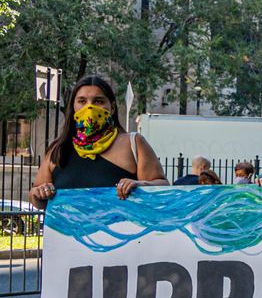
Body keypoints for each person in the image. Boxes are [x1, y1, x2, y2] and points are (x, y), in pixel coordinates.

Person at [29, 76, 168, 209]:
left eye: (98, 101)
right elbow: (36, 196)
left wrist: (140, 185)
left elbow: (162, 186)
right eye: (82, 101)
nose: (89, 108)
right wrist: (39, 194)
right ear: (73, 107)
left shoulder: (134, 144)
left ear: (112, 107)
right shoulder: (59, 148)